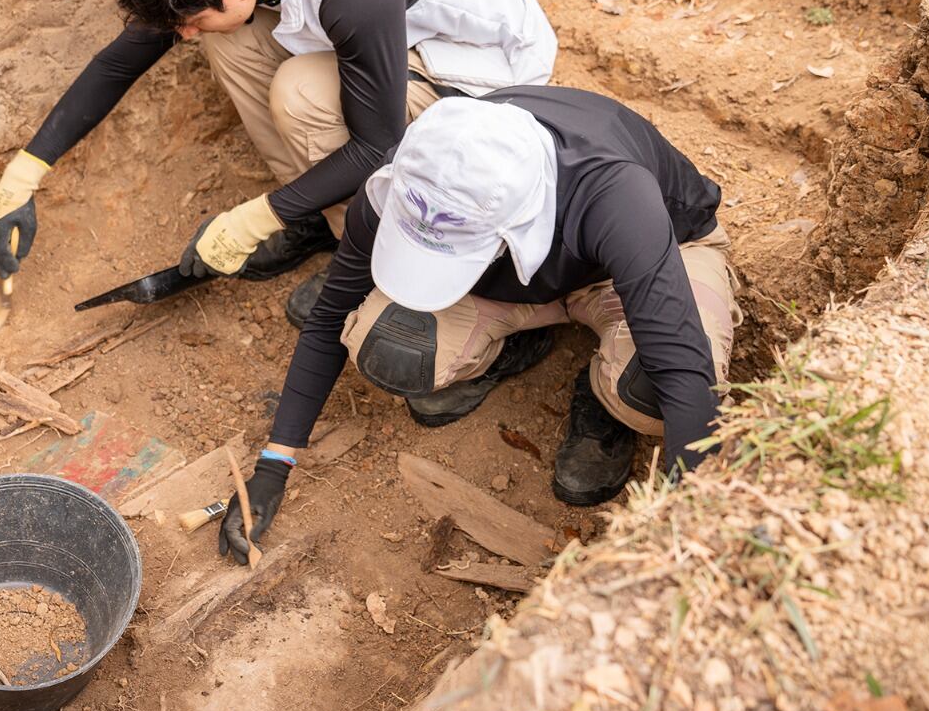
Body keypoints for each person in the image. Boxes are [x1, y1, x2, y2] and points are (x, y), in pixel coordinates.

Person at [0, 0, 557, 319]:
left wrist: (255, 218)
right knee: (227, 39)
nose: (182, 34)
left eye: (188, 20)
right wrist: (27, 171)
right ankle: (313, 215)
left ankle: (367, 250)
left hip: (480, 78)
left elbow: (376, 144)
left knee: (299, 93)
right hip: (392, 40)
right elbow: (125, 57)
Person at [216, 88, 743, 565]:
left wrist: (687, 543)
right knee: (392, 348)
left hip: (651, 263)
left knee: (649, 391)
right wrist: (273, 464)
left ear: (515, 229)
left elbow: (682, 369)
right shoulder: (419, 174)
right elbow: (332, 313)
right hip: (516, 280)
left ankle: (605, 393)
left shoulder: (614, 195)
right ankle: (519, 342)